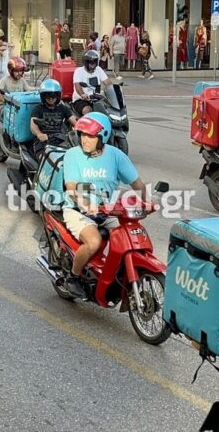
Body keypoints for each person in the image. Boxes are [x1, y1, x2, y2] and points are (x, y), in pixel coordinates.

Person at [61, 112, 148, 299]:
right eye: (82, 134)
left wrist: (147, 202)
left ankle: (115, 274)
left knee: (131, 236)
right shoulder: (72, 155)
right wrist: (85, 205)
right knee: (94, 242)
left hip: (108, 211)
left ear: (103, 136)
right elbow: (71, 187)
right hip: (78, 210)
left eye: (90, 135)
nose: (85, 139)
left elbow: (137, 183)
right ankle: (73, 277)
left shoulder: (116, 156)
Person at [30, 79, 77, 157]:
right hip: (43, 141)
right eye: (47, 95)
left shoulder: (63, 108)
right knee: (45, 159)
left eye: (53, 95)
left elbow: (74, 120)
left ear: (58, 96)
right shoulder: (37, 109)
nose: (51, 98)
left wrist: (82, 127)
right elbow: (33, 125)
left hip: (61, 140)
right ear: (43, 96)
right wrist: (39, 134)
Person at [72, 50, 113, 116]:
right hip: (81, 100)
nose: (93, 64)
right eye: (91, 62)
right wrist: (83, 94)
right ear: (86, 62)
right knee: (88, 110)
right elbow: (78, 86)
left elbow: (107, 82)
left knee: (108, 111)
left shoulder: (98, 69)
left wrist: (113, 89)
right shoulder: (79, 71)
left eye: (94, 62)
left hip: (97, 99)